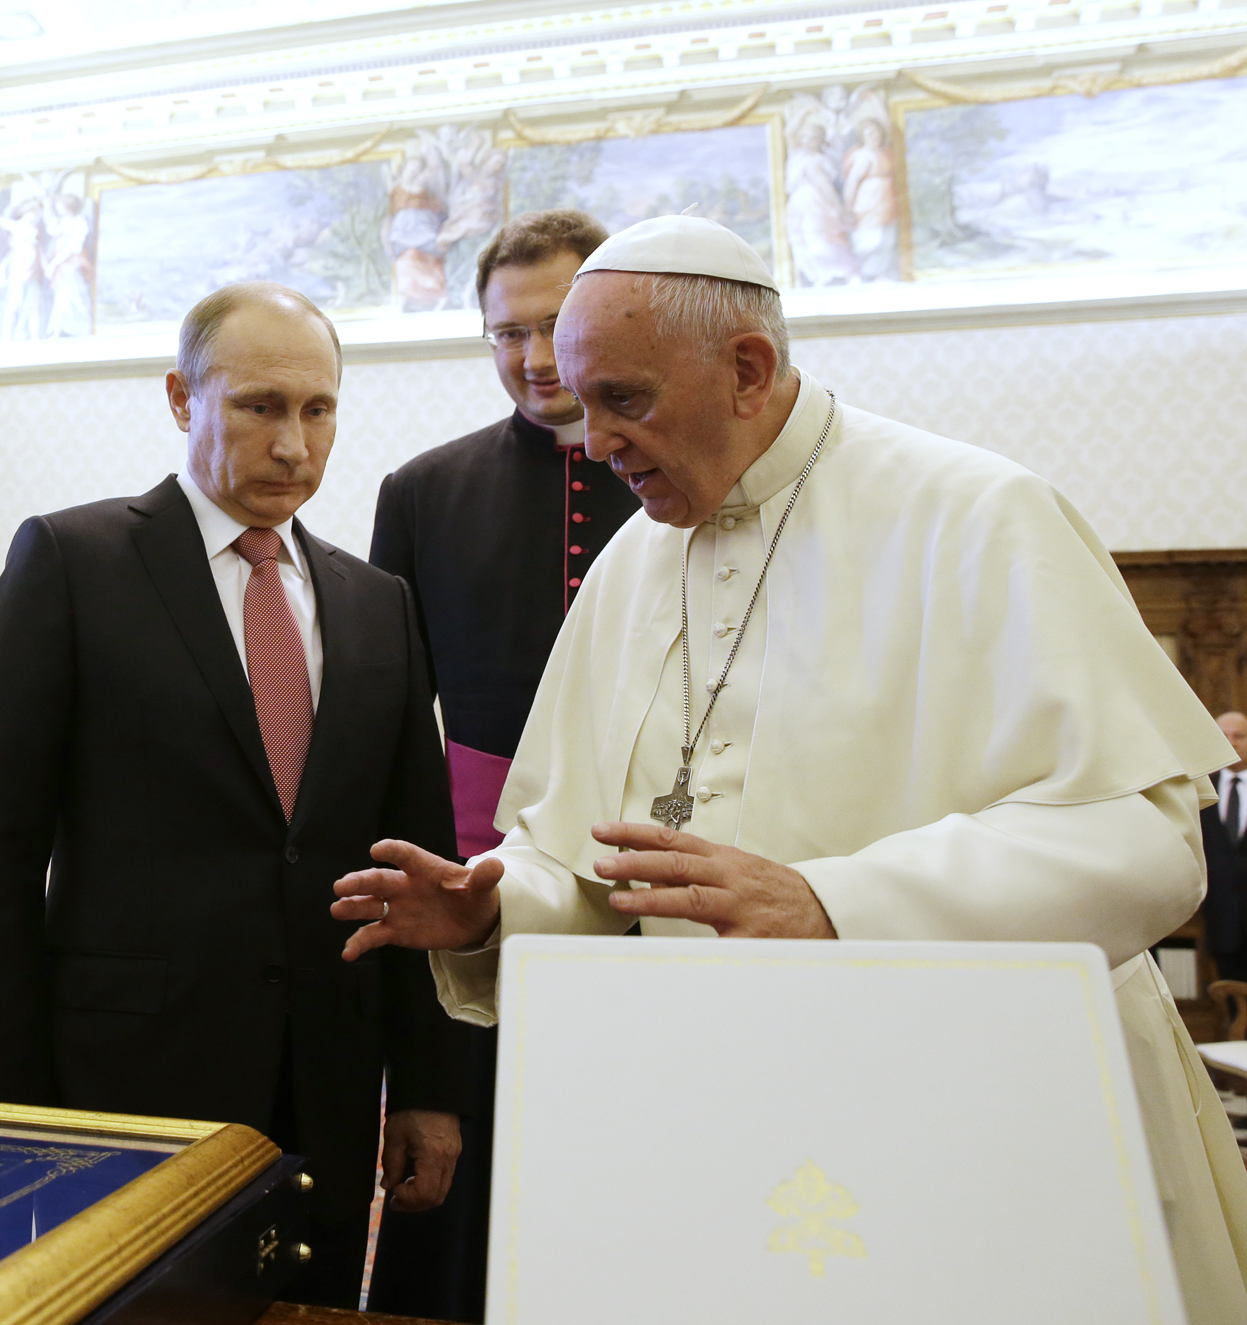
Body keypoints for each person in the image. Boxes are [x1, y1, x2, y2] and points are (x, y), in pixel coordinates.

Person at [331, 215, 1247, 1320]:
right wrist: (494, 904)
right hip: (724, 1108)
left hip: (982, 1116)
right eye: (584, 402)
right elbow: (586, 862)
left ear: (748, 369)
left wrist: (833, 903)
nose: (595, 440)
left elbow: (1147, 845)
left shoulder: (975, 514)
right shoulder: (633, 562)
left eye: (625, 399)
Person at [0, 281, 469, 1308]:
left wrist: (428, 1088)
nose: (294, 443)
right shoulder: (74, 561)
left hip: (325, 1083)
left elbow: (415, 863)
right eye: (260, 406)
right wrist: (3, 1111)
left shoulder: (378, 603)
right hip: (127, 1082)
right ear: (183, 399)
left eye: (318, 409)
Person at [363, 208, 634, 1323]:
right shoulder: (423, 490)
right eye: (505, 333)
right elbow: (388, 726)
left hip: (648, 884)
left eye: (553, 326)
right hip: (472, 888)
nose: (531, 357)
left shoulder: (678, 474)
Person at [1202, 712, 1247, 982]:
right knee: (1229, 994)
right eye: (1224, 736)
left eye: (1239, 736)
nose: (1232, 743)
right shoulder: (1200, 789)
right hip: (1220, 917)